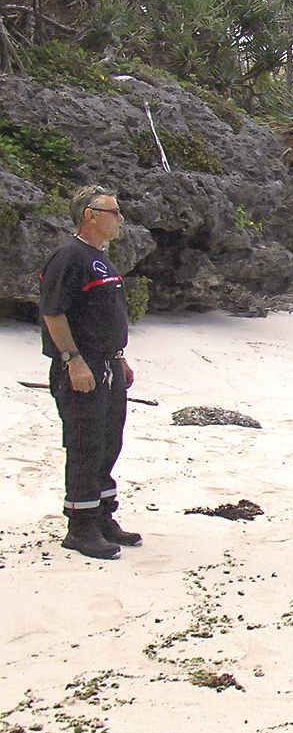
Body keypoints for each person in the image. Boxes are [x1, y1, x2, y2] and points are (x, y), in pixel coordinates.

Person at [38, 185, 140, 559]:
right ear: (90, 215)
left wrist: (120, 358)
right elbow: (53, 312)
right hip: (83, 366)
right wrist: (73, 360)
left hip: (108, 364)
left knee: (109, 441)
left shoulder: (100, 258)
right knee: (85, 443)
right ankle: (80, 526)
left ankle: (102, 516)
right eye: (114, 212)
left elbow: (106, 314)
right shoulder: (69, 256)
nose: (120, 219)